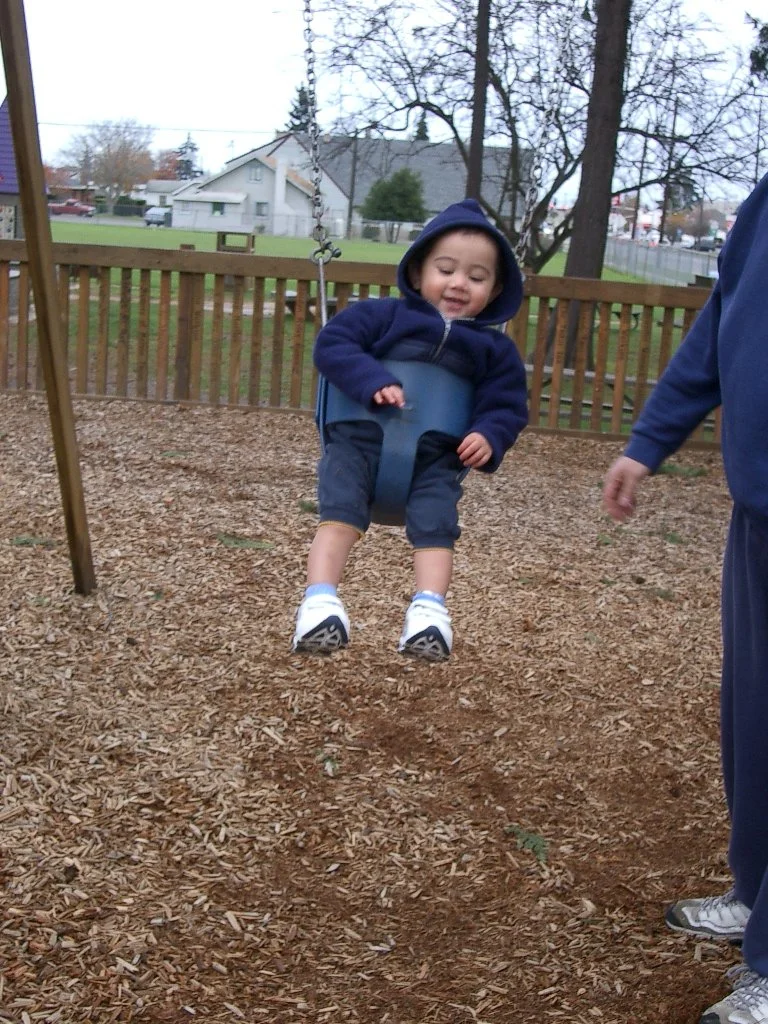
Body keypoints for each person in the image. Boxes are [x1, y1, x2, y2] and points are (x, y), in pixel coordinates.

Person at [602, 173, 768, 1024]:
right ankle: (757, 896)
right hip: (760, 511)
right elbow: (722, 324)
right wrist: (650, 440)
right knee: (753, 722)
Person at [292, 198, 528, 661]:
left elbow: (507, 404)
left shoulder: (494, 350)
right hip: (358, 444)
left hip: (436, 461)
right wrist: (372, 380)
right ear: (419, 272)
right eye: (446, 269)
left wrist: (489, 435)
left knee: (438, 526)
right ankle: (319, 603)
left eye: (477, 277)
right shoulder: (382, 316)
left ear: (495, 289)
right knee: (339, 512)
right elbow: (333, 344)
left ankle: (429, 612)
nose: (458, 283)